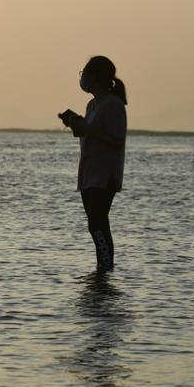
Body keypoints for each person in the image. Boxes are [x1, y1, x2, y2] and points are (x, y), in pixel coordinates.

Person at [59, 55, 128, 271]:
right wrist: (75, 124)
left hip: (105, 174)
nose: (83, 78)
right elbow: (89, 134)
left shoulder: (113, 105)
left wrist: (87, 128)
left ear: (95, 76)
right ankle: (101, 270)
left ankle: (106, 268)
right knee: (93, 224)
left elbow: (116, 140)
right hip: (88, 172)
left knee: (98, 223)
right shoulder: (92, 104)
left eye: (85, 73)